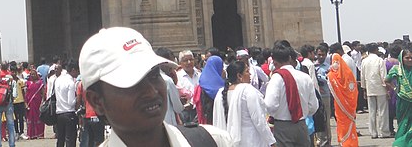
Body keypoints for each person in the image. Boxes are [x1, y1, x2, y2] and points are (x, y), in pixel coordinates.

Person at [79, 27, 232, 147]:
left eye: (154, 75)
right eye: (132, 82)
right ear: (97, 101)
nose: (151, 91)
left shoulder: (214, 142)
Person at [263, 41, 318, 147]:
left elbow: (270, 105)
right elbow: (313, 106)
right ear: (289, 58)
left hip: (283, 126)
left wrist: (277, 114)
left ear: (274, 62)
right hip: (302, 124)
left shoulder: (276, 78)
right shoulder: (305, 77)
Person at [212, 60, 275, 146]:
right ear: (239, 76)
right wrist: (271, 141)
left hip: (229, 141)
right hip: (250, 141)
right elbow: (259, 120)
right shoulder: (248, 90)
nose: (250, 74)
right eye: (247, 71)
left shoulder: (220, 93)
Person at [327, 50, 359, 147]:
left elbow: (353, 90)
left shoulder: (347, 74)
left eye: (337, 62)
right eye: (334, 62)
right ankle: (344, 142)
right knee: (342, 124)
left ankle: (350, 143)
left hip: (349, 105)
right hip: (340, 106)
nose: (335, 64)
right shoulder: (333, 75)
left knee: (349, 124)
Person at [361, 42, 390, 139]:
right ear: (375, 50)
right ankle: (384, 132)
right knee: (382, 111)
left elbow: (363, 76)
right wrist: (387, 88)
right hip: (380, 88)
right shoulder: (379, 60)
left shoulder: (364, 61)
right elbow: (383, 75)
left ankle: (373, 132)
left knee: (372, 111)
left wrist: (364, 88)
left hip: (369, 88)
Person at [386, 47, 412, 146]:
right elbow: (386, 80)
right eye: (407, 58)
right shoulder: (397, 69)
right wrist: (394, 88)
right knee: (403, 123)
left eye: (411, 58)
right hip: (403, 101)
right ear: (401, 58)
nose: (410, 60)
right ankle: (401, 142)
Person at [54, 61, 79, 147]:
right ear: (73, 70)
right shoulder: (70, 83)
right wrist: (78, 98)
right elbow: (71, 102)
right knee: (70, 140)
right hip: (69, 113)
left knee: (60, 139)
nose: (78, 73)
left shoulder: (58, 80)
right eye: (77, 71)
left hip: (59, 113)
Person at [194, 55, 225, 124]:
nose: (223, 70)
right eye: (221, 67)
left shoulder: (199, 86)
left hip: (205, 124)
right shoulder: (222, 88)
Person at [0, 67, 16, 147]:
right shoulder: (12, 81)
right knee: (10, 125)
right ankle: (12, 144)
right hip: (8, 105)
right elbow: (14, 95)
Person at [24, 70, 44, 140]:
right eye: (31, 74)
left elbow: (43, 94)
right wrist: (26, 103)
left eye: (34, 74)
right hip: (30, 103)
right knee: (30, 118)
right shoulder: (28, 83)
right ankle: (31, 134)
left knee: (38, 118)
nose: (32, 76)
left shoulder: (40, 83)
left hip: (37, 103)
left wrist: (42, 102)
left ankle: (39, 133)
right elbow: (25, 94)